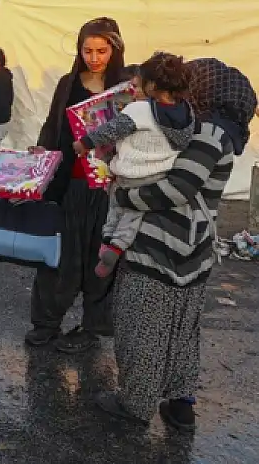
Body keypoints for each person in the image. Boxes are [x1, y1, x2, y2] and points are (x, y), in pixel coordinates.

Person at [95, 57, 256, 429]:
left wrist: (122, 197)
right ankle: (181, 405)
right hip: (195, 249)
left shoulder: (207, 134)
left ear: (206, 91)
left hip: (159, 245)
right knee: (183, 329)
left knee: (143, 325)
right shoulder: (212, 131)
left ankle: (135, 404)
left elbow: (177, 188)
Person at [26, 17, 127, 353]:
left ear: (115, 49)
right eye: (87, 50)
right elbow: (53, 125)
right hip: (71, 184)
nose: (94, 57)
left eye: (101, 50)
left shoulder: (127, 88)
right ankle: (46, 323)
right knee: (59, 257)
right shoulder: (69, 83)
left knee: (100, 260)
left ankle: (92, 327)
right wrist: (43, 152)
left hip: (110, 190)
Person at [73, 53, 194, 279]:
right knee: (133, 215)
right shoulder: (187, 112)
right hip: (156, 178)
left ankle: (107, 240)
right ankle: (117, 247)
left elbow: (111, 130)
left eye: (139, 84)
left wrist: (84, 143)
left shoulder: (140, 110)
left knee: (116, 206)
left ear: (153, 85)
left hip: (127, 175)